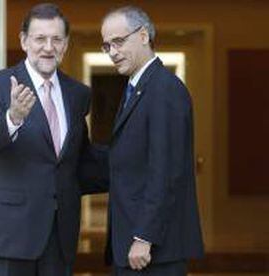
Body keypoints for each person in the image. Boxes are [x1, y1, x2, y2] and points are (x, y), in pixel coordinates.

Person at [0, 3, 107, 276]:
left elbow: (79, 159)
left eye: (56, 39)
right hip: (9, 236)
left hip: (60, 236)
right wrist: (13, 118)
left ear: (66, 44)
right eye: (40, 39)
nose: (48, 47)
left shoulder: (78, 94)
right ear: (24, 41)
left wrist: (134, 159)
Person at [100, 5, 204, 275]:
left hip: (152, 251)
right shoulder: (137, 87)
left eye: (118, 41)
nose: (112, 52)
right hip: (134, 247)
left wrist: (144, 237)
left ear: (144, 36)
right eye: (106, 46)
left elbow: (166, 170)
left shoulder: (164, 89)